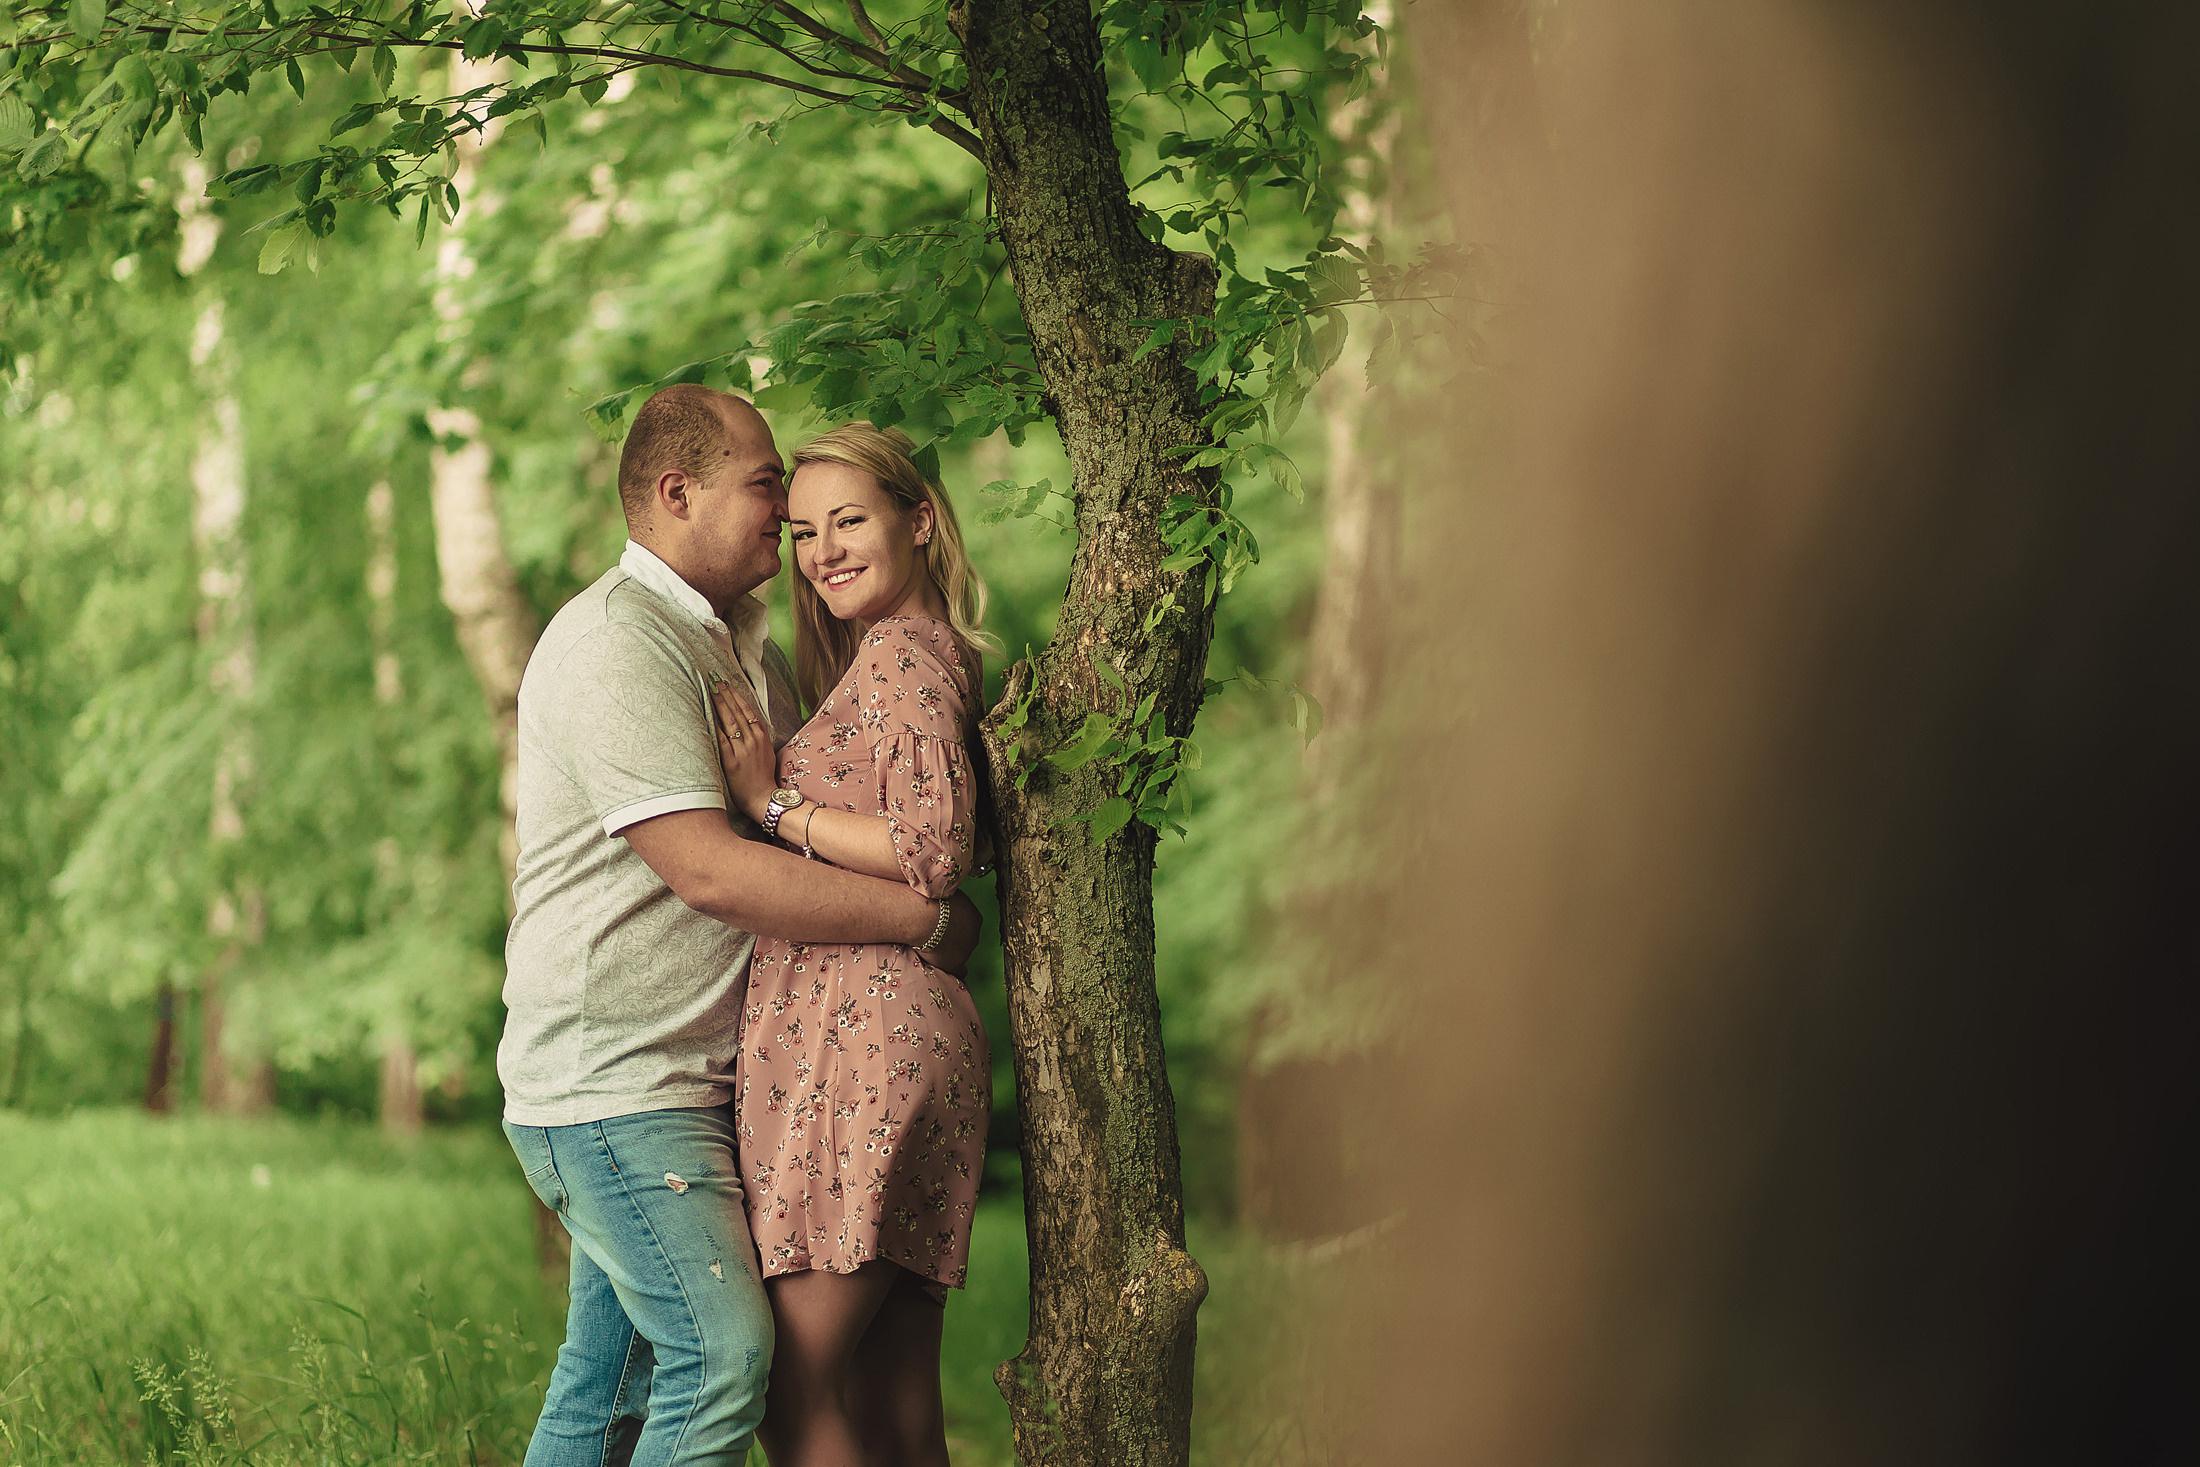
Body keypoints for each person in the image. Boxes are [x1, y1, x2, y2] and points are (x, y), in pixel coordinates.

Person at [497, 387, 981, 1467]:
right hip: (620, 1083)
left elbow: (839, 834)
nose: (788, 521)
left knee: (612, 1383)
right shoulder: (615, 646)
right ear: (677, 492)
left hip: (715, 1080)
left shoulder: (741, 648)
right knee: (723, 1363)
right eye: (770, 490)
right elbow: (715, 872)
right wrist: (923, 916)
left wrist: (921, 910)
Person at [709, 423, 996, 1467]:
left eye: (848, 521)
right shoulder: (917, 658)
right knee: (891, 1398)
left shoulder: (900, 662)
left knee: (791, 1394)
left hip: (863, 1045)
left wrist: (768, 804)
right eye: (800, 531)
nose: (822, 549)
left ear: (919, 521)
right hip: (893, 1036)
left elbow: (931, 849)